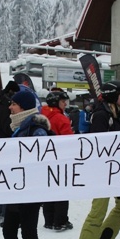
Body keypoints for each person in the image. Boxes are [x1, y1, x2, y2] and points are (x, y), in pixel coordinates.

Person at [0, 90, 49, 239]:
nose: (10, 107)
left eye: (14, 104)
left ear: (24, 107)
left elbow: (41, 159)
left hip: (31, 191)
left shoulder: (36, 130)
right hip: (16, 189)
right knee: (8, 229)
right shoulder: (19, 128)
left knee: (28, 233)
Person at [77, 81, 120, 239]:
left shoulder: (118, 115)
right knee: (99, 209)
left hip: (118, 170)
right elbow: (98, 146)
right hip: (102, 171)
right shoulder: (101, 115)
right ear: (112, 95)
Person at [41, 90, 73, 231]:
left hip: (45, 159)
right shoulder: (61, 118)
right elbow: (69, 140)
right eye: (62, 101)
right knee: (62, 189)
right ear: (56, 102)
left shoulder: (41, 115)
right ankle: (60, 221)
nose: (65, 104)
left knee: (48, 188)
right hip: (60, 158)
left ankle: (48, 220)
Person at [0, 80, 19, 226]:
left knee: (7, 182)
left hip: (3, 148)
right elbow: (7, 129)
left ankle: (3, 214)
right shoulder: (3, 108)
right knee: (6, 183)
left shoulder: (1, 104)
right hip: (3, 149)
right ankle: (3, 215)